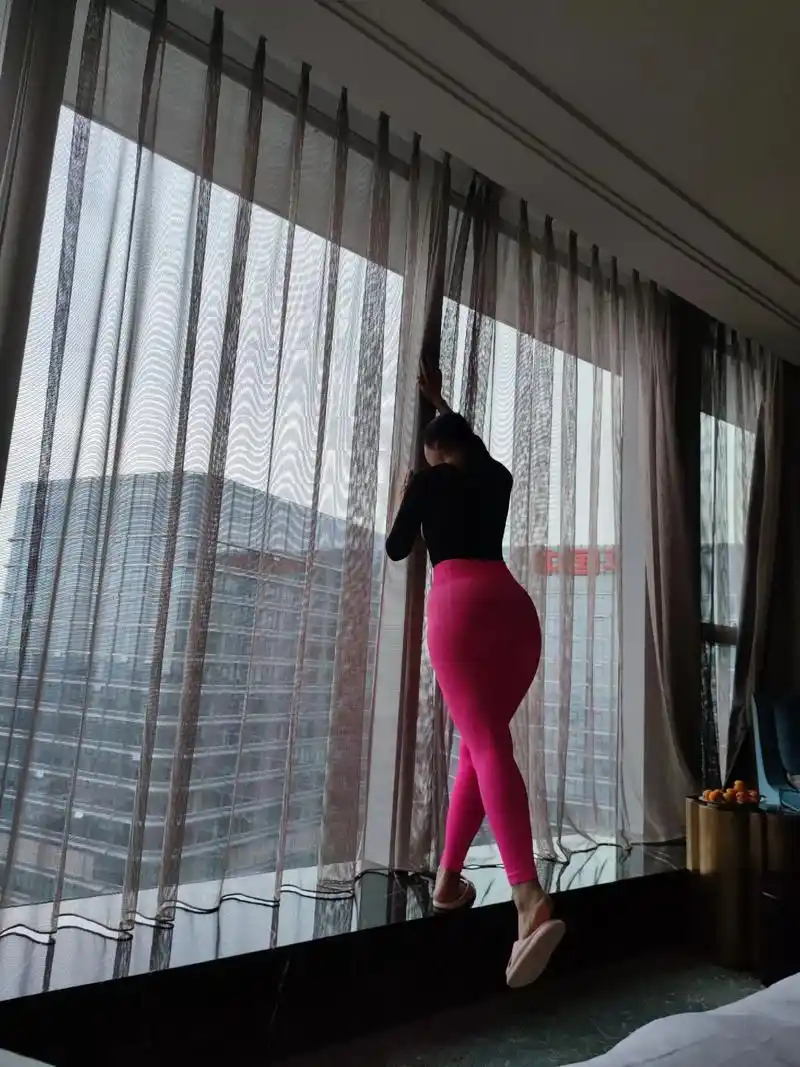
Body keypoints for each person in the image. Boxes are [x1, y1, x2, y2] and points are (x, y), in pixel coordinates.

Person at [385, 364, 565, 989]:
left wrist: (409, 493)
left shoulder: (429, 481)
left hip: (460, 608)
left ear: (434, 451)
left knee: (486, 744)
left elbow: (397, 547)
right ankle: (447, 879)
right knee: (481, 743)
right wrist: (440, 402)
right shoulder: (498, 477)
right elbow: (472, 449)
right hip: (514, 613)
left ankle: (528, 898)